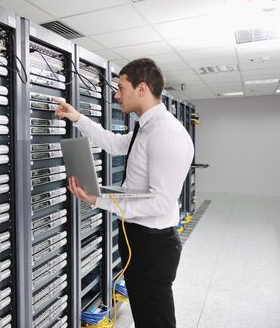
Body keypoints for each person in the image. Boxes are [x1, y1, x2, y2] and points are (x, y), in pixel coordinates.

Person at [54, 58, 194, 328]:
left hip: (153, 245)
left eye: (121, 87)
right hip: (138, 240)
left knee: (156, 321)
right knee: (145, 317)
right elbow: (113, 143)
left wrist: (98, 201)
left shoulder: (166, 134)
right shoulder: (147, 128)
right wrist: (78, 117)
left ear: (141, 88)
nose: (116, 95)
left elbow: (161, 203)